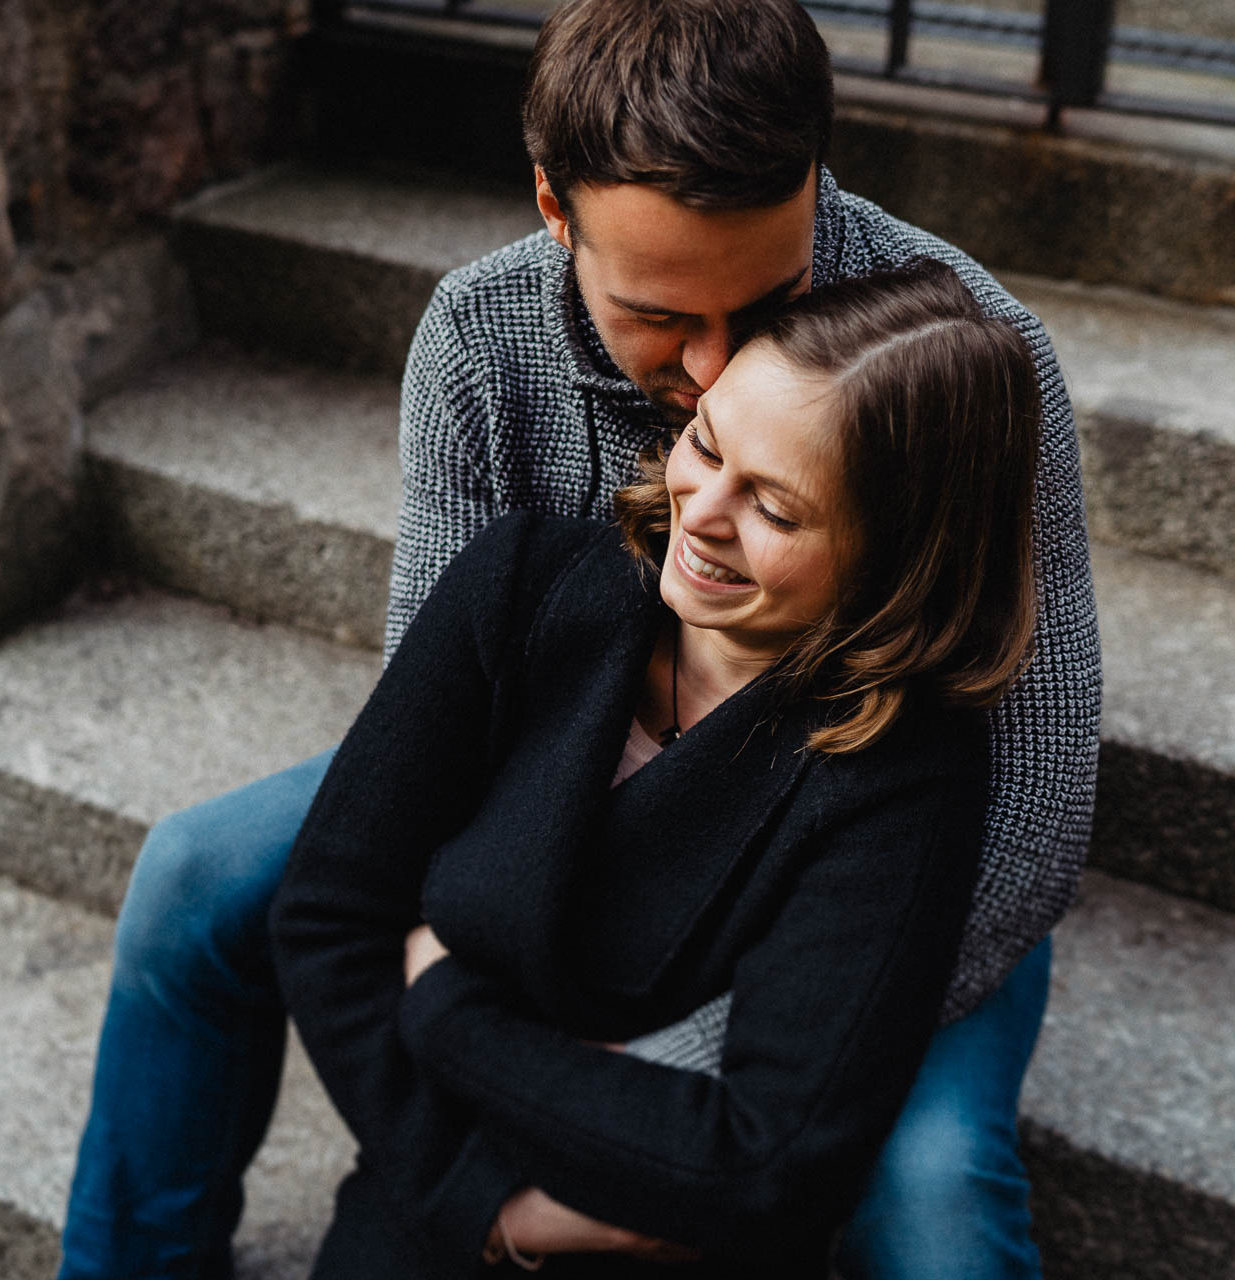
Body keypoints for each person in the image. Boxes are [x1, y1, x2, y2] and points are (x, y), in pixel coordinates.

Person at [56, 0, 1100, 1275]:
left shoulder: (967, 353)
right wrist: (485, 1155)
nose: (714, 371)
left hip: (860, 854)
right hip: (560, 777)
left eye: (769, 299)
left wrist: (673, 1064)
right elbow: (431, 727)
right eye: (662, 315)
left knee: (932, 1191)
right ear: (555, 206)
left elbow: (1035, 807)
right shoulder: (478, 337)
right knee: (193, 877)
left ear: (815, 180)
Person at [271, 260, 1044, 1278]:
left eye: (774, 507)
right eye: (707, 442)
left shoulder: (897, 770)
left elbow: (763, 1163)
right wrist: (485, 1202)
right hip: (434, 1182)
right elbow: (329, 914)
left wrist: (451, 1012)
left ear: (896, 557)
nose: (702, 510)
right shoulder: (523, 586)